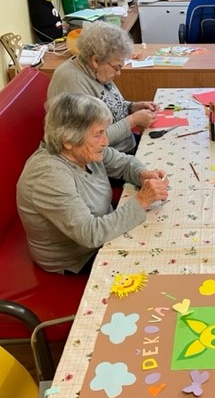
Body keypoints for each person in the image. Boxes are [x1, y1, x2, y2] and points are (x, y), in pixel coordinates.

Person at [17, 93, 169, 275]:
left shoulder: (82, 150)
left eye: (104, 131)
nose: (106, 141)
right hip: (78, 257)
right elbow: (91, 234)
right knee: (156, 263)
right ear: (68, 140)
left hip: (102, 225)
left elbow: (124, 163)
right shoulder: (49, 176)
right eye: (98, 134)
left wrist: (142, 174)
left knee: (162, 232)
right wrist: (142, 200)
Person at [47, 21, 158, 154]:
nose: (119, 73)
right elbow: (91, 139)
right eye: (117, 67)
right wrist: (133, 121)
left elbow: (109, 104)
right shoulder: (72, 82)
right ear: (96, 60)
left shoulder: (96, 69)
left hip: (125, 145)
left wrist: (131, 107)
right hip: (107, 158)